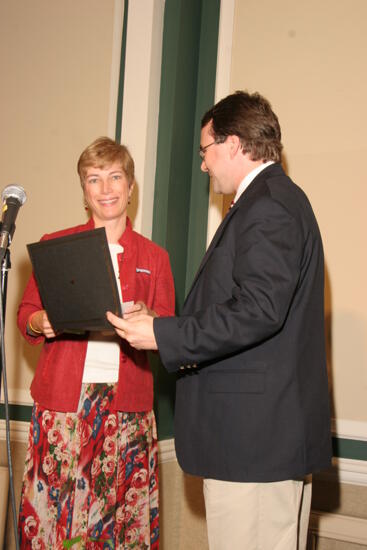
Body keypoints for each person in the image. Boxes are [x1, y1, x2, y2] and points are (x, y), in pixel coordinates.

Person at [106, 91, 332, 550]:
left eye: (205, 151)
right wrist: (160, 321)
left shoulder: (268, 204)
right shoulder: (270, 201)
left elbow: (258, 310)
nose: (204, 165)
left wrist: (161, 333)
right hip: (257, 440)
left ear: (233, 144)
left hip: (252, 443)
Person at [17, 137, 175, 549]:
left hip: (128, 411)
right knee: (56, 518)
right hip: (63, 406)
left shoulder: (155, 257)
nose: (106, 189)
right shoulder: (57, 244)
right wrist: (42, 319)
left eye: (115, 177)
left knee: (117, 525)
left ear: (131, 186)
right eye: (94, 179)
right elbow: (26, 315)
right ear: (84, 192)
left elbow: (173, 329)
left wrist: (151, 319)